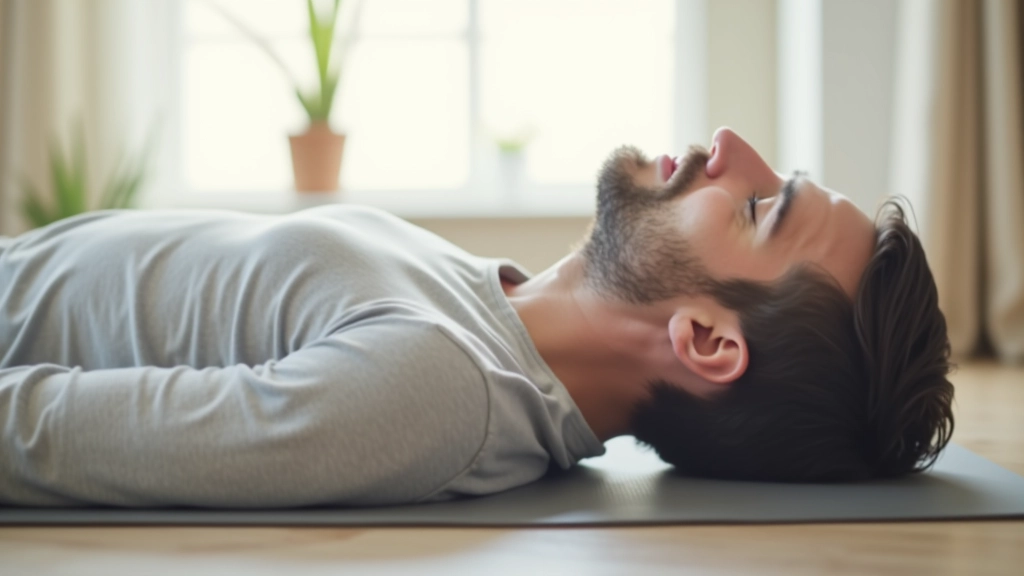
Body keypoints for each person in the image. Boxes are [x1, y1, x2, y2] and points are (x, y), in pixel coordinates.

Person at [0, 127, 953, 508]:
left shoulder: (433, 392)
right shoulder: (487, 307)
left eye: (758, 209)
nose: (731, 147)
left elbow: (42, 435)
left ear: (706, 341)